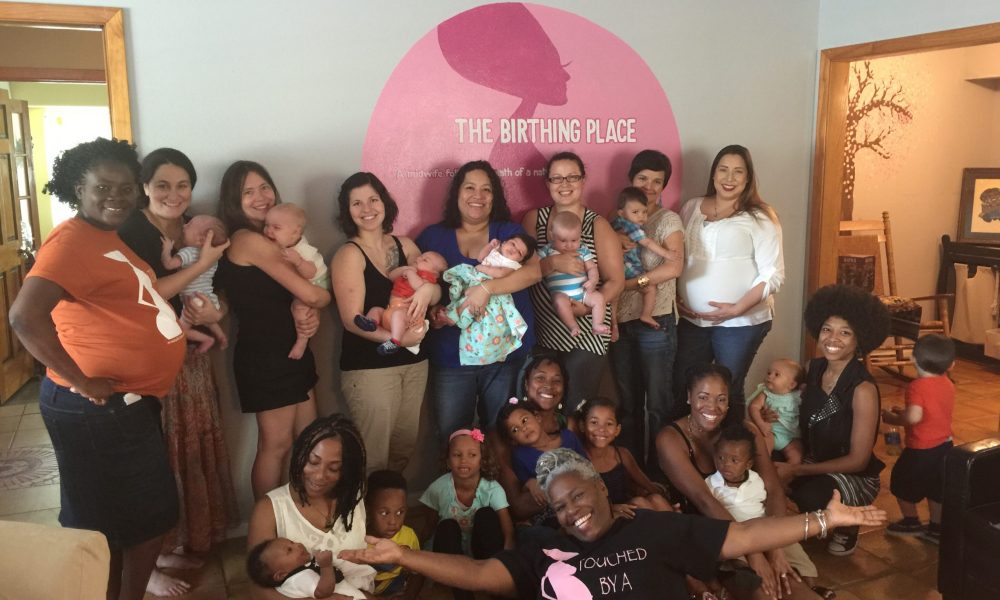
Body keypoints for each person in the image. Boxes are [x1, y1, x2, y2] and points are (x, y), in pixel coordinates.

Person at [339, 448, 887, 600]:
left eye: (578, 495)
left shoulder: (651, 529)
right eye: (560, 507)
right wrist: (403, 555)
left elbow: (742, 536)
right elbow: (481, 573)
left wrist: (823, 519)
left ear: (602, 488)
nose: (571, 511)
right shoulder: (543, 552)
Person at [10, 137, 187, 600]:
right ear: (78, 188)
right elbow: (24, 316)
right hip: (96, 408)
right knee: (119, 522)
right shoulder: (71, 241)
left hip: (123, 405)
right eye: (103, 187)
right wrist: (81, 379)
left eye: (126, 188)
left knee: (134, 518)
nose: (117, 197)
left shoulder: (105, 237)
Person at [119, 147, 239, 597]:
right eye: (162, 185)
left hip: (191, 361)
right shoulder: (131, 230)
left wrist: (215, 313)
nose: (173, 194)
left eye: (182, 185)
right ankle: (145, 567)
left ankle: (169, 545)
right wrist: (202, 266)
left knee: (186, 453)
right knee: (154, 460)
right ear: (145, 187)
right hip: (149, 362)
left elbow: (220, 290)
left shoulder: (199, 228)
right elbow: (144, 294)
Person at [657, 364, 825, 600]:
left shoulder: (746, 430)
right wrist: (753, 551)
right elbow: (705, 501)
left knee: (797, 583)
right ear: (688, 397)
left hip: (760, 521)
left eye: (721, 399)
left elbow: (773, 489)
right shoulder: (670, 439)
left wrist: (775, 547)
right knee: (763, 590)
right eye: (703, 397)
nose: (712, 407)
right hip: (716, 529)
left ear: (729, 401)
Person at [217, 160, 330, 499]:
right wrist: (318, 302)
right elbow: (314, 294)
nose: (260, 197)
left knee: (308, 439)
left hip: (291, 350)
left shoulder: (283, 240)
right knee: (276, 446)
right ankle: (266, 524)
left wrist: (314, 310)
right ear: (233, 201)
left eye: (264, 187)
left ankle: (300, 515)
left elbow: (311, 296)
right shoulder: (248, 240)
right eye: (247, 192)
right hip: (265, 354)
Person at [417, 160, 541, 440]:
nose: (478, 195)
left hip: (505, 357)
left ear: (494, 197)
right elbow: (421, 283)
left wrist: (486, 289)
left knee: (504, 436)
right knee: (453, 439)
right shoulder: (432, 237)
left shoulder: (509, 233)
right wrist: (433, 312)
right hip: (452, 358)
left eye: (486, 189)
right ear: (457, 193)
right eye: (470, 187)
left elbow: (534, 273)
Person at [331, 172, 437, 474]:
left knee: (403, 448)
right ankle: (364, 507)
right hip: (371, 367)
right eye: (357, 203)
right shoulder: (349, 254)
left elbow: (435, 290)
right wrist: (396, 341)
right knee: (372, 456)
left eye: (373, 199)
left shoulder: (406, 246)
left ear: (384, 203)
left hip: (415, 363)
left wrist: (428, 291)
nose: (367, 209)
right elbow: (352, 320)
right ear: (347, 211)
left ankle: (389, 506)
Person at [775, 284, 890, 558]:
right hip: (812, 458)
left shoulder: (862, 389)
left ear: (860, 339)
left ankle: (848, 523)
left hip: (853, 474)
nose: (832, 338)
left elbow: (858, 461)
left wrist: (796, 470)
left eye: (845, 332)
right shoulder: (812, 368)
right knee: (762, 462)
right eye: (827, 329)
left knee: (811, 495)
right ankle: (778, 533)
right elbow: (792, 408)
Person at [674, 145, 785, 427]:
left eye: (738, 172)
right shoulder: (691, 207)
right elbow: (678, 258)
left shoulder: (760, 216)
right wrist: (676, 296)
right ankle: (689, 447)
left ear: (748, 178)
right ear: (713, 174)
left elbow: (774, 274)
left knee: (727, 389)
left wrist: (736, 308)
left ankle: (732, 451)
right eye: (723, 170)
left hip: (741, 323)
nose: (729, 178)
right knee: (685, 386)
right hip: (693, 321)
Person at [523, 151, 624, 409]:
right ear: (547, 183)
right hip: (543, 331)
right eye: (557, 178)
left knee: (576, 408)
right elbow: (523, 272)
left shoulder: (597, 225)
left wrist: (587, 306)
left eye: (572, 177)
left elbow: (616, 281)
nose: (564, 184)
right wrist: (552, 263)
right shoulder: (535, 220)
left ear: (583, 180)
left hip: (587, 333)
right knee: (539, 410)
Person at [608, 149, 684, 470]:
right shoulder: (616, 221)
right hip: (621, 322)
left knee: (658, 404)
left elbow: (674, 266)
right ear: (631, 180)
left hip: (656, 321)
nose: (649, 187)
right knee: (627, 406)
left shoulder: (668, 220)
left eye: (657, 181)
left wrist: (631, 283)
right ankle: (632, 472)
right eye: (643, 178)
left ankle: (662, 473)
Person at [247, 415, 375, 600]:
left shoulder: (353, 497)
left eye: (333, 468)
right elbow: (257, 590)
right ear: (300, 456)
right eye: (313, 462)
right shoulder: (269, 509)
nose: (319, 476)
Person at [418, 429, 514, 600]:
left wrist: (507, 557)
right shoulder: (438, 489)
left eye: (472, 455)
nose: (464, 460)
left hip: (481, 553)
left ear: (482, 460)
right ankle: (463, 594)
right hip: (451, 554)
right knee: (446, 526)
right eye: (457, 455)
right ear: (448, 461)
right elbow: (430, 526)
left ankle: (495, 588)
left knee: (486, 515)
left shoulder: (492, 489)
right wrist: (417, 552)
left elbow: (507, 528)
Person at [881, 333, 956, 544]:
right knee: (936, 488)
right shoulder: (947, 382)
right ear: (951, 364)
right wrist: (906, 411)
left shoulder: (917, 386)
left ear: (912, 358)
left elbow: (914, 417)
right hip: (945, 445)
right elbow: (932, 409)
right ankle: (936, 528)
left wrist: (894, 418)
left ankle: (911, 521)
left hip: (921, 449)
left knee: (900, 481)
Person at [489, 355, 573, 525]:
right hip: (538, 524)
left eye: (557, 380)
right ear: (526, 384)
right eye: (540, 378)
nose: (549, 386)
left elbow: (591, 476)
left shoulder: (568, 428)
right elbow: (519, 507)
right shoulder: (502, 434)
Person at [440, 233, 536, 367]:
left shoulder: (511, 265)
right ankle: (451, 315)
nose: (514, 250)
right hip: (476, 280)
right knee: (463, 298)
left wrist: (483, 268)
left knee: (475, 308)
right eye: (513, 244)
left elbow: (500, 273)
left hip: (492, 288)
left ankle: (453, 319)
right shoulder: (495, 251)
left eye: (519, 253)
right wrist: (490, 246)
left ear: (520, 262)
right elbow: (480, 257)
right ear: (504, 243)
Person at [575, 397, 672, 513]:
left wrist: (667, 502)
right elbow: (579, 504)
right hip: (601, 516)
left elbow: (648, 486)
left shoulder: (621, 455)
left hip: (628, 511)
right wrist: (613, 508)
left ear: (617, 430)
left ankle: (675, 520)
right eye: (594, 422)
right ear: (582, 426)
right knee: (639, 503)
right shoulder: (577, 460)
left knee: (656, 499)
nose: (601, 429)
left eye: (609, 424)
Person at [262, 203, 330, 360]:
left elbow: (310, 272)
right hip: (307, 284)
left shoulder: (303, 250)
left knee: (299, 308)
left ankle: (302, 341)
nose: (269, 231)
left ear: (295, 233)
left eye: (276, 228)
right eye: (266, 225)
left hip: (317, 282)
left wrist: (298, 261)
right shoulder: (286, 243)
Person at [354, 250, 447, 356]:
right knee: (376, 310)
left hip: (408, 316)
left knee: (398, 315)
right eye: (421, 256)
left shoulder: (427, 280)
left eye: (425, 260)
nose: (418, 258)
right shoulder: (410, 271)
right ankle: (370, 323)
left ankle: (395, 341)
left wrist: (410, 273)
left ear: (434, 274)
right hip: (390, 311)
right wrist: (403, 270)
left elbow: (419, 287)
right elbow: (391, 276)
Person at [160, 214, 230, 353]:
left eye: (189, 225)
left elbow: (169, 264)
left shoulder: (189, 252)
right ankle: (220, 335)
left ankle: (206, 340)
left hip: (194, 299)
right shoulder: (213, 259)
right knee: (208, 319)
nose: (184, 225)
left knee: (180, 330)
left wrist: (166, 250)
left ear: (201, 239)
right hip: (209, 299)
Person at [537, 211, 610, 337]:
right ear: (552, 235)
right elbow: (534, 267)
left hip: (583, 292)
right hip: (562, 294)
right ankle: (573, 326)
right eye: (563, 240)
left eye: (574, 240)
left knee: (599, 298)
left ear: (580, 236)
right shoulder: (547, 251)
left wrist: (593, 281)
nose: (569, 245)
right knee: (559, 301)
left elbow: (592, 268)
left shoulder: (583, 249)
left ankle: (597, 324)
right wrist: (549, 263)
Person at [611, 186, 675, 330]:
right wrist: (666, 253)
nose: (641, 216)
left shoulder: (613, 224)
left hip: (613, 270)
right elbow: (647, 242)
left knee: (614, 297)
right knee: (650, 288)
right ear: (621, 213)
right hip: (630, 268)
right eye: (635, 212)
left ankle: (613, 323)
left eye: (644, 212)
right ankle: (646, 314)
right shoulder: (632, 227)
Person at [496, 399, 587, 501]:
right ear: (513, 440)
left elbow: (587, 465)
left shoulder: (568, 437)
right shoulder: (520, 456)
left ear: (537, 417)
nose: (523, 428)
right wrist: (530, 483)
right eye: (515, 430)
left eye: (524, 420)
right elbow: (524, 486)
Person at [364, 470, 422, 597]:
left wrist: (408, 597)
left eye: (400, 512)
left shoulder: (409, 536)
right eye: (384, 513)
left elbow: (417, 573)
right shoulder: (359, 541)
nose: (393, 521)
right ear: (367, 510)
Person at [246, 539, 366, 599]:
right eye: (289, 550)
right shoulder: (298, 578)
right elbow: (322, 592)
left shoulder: (300, 572)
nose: (297, 545)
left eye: (292, 542)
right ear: (281, 574)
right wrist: (326, 566)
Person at [747, 358, 806, 463]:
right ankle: (766, 468)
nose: (770, 376)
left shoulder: (798, 395)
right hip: (771, 432)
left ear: (792, 384)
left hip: (791, 436)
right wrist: (761, 424)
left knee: (797, 454)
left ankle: (789, 470)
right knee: (762, 450)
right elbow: (753, 407)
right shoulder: (766, 393)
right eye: (769, 373)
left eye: (776, 374)